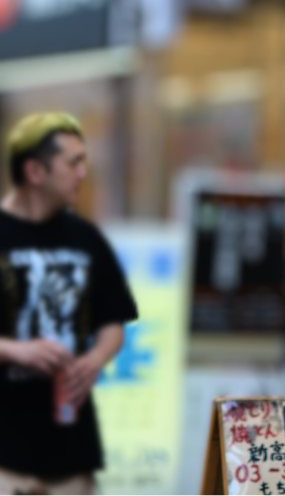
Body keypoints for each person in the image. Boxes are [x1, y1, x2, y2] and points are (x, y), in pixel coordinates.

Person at [0, 113, 138, 496]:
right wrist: (16, 351)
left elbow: (113, 323)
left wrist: (94, 361)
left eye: (85, 161)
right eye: (73, 162)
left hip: (71, 450)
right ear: (34, 171)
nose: (83, 173)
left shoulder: (85, 237)